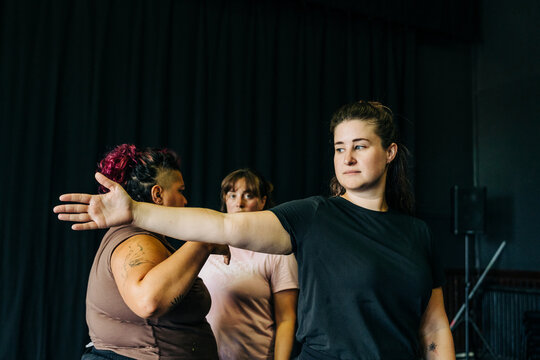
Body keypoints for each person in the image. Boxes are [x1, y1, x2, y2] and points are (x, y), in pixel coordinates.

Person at [55, 101, 455, 359]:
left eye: (360, 146)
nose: (347, 158)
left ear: (390, 153)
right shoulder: (315, 215)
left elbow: (434, 326)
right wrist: (136, 211)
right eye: (338, 148)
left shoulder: (418, 233)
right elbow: (223, 224)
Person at [78, 144, 228, 360]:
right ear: (158, 194)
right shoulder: (137, 239)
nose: (185, 201)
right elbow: (149, 301)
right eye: (180, 191)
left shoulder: (140, 235)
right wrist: (204, 241)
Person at [198, 169, 299, 360]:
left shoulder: (277, 252)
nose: (239, 203)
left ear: (262, 202)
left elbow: (286, 319)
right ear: (225, 201)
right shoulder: (205, 245)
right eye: (232, 195)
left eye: (249, 195)